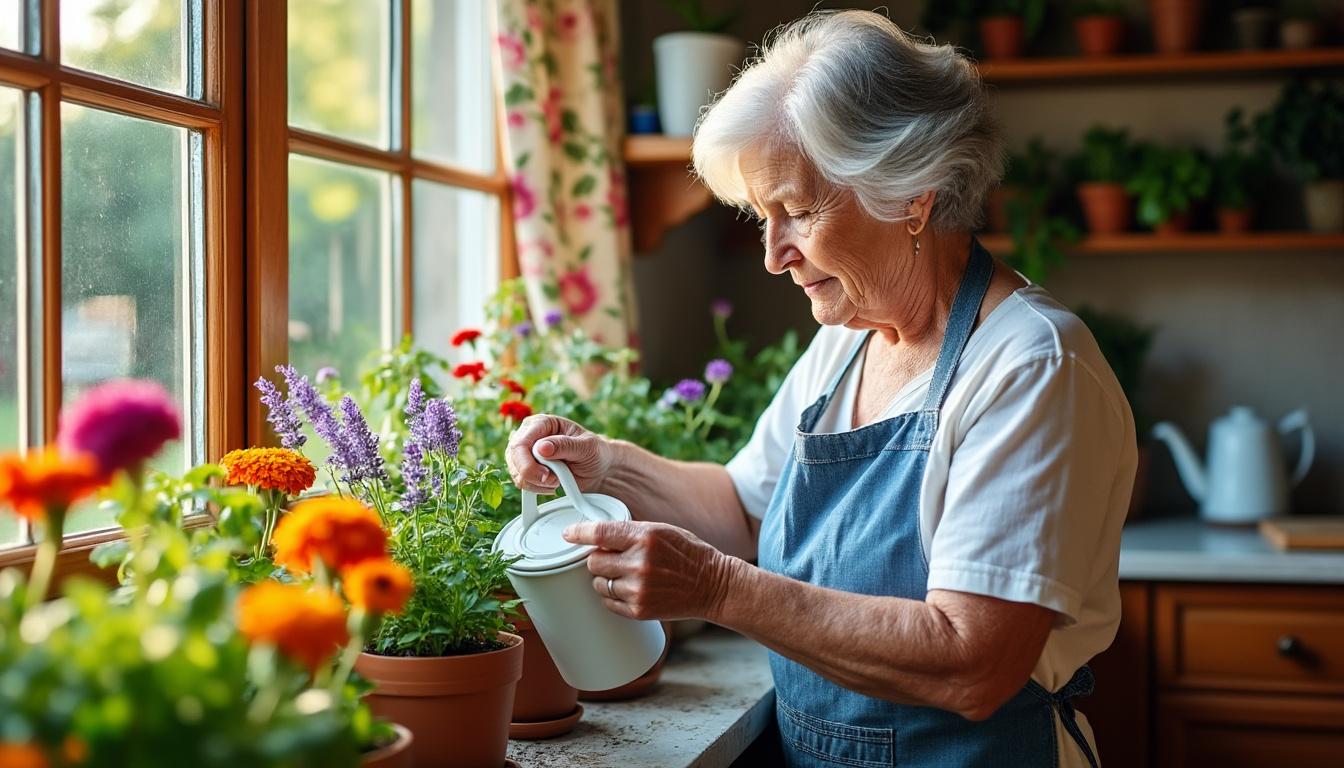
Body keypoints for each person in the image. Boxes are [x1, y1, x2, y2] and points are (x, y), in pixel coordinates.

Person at [506, 10, 1134, 767]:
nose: (775, 255)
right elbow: (742, 510)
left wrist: (717, 590)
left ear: (912, 194)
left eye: (798, 211)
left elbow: (976, 662)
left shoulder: (1032, 366)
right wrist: (606, 466)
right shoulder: (845, 343)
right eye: (763, 217)